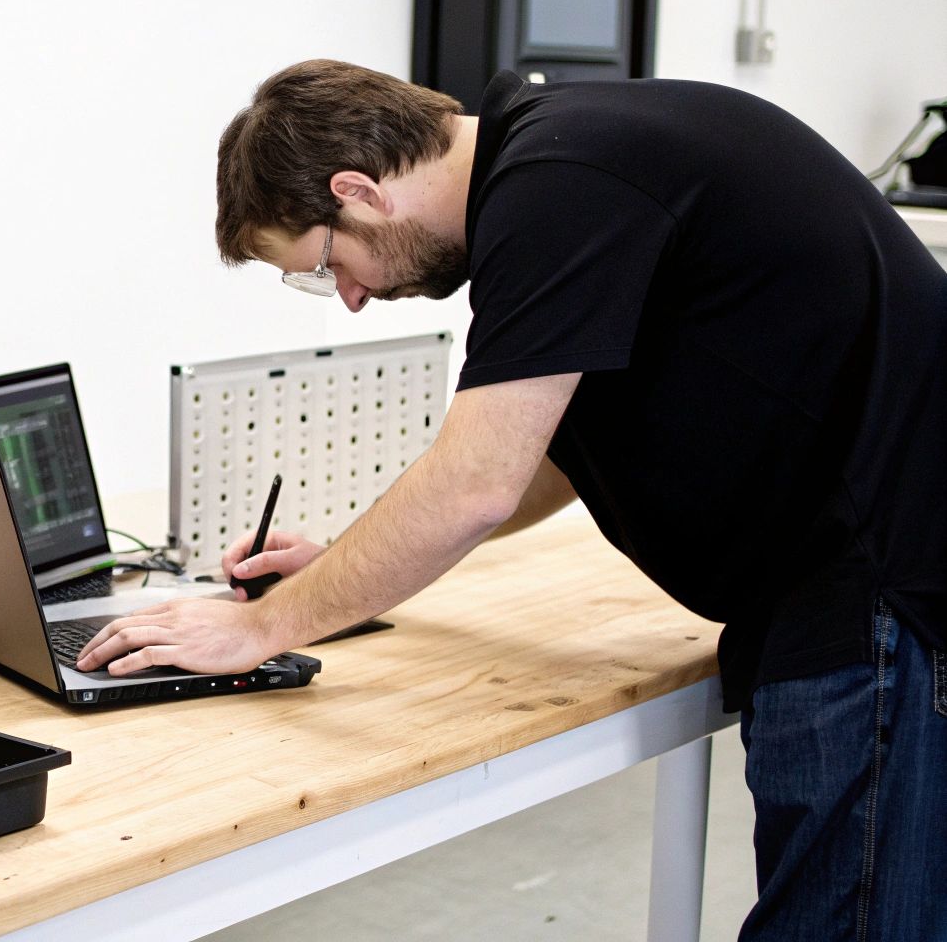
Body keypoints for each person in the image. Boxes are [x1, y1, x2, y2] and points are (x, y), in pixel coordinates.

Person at [72, 60, 946, 939]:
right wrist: (336, 568)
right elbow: (548, 456)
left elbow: (474, 485)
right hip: (857, 577)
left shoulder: (560, 187)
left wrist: (260, 629)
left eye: (325, 264)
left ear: (358, 191)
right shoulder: (565, 152)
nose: (350, 297)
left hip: (882, 590)